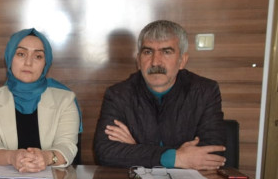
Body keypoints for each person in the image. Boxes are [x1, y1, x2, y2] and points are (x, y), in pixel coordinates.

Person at [94, 20, 225, 170]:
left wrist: (136, 149)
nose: (155, 62)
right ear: (138, 61)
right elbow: (105, 152)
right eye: (148, 52)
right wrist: (176, 158)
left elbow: (212, 154)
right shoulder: (119, 95)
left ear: (182, 61)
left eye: (166, 52)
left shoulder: (204, 91)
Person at [0, 28, 80, 171]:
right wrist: (12, 157)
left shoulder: (65, 100)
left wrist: (47, 158)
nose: (28, 63)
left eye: (38, 56)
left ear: (46, 63)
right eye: (21, 54)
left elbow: (67, 146)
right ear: (9, 58)